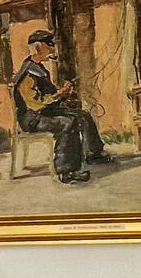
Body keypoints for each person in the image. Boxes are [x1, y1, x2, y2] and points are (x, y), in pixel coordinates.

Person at [13, 28, 110, 184]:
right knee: (67, 123)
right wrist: (59, 95)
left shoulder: (39, 69)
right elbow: (35, 104)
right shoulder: (28, 73)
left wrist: (63, 92)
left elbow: (49, 96)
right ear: (38, 47)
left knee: (82, 115)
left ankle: (94, 154)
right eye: (49, 45)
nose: (52, 49)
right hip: (31, 119)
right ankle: (67, 171)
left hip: (43, 113)